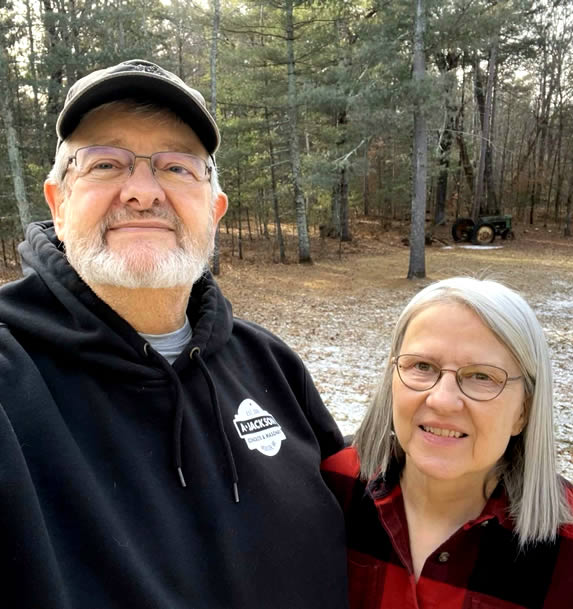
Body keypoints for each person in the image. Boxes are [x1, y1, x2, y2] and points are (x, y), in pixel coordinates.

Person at [0, 59, 348, 609]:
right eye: (105, 163)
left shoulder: (273, 367)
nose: (142, 192)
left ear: (215, 210)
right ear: (57, 204)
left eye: (178, 167)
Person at [322, 277, 573, 609]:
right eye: (422, 366)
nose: (443, 400)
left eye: (481, 376)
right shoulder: (328, 492)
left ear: (524, 411)